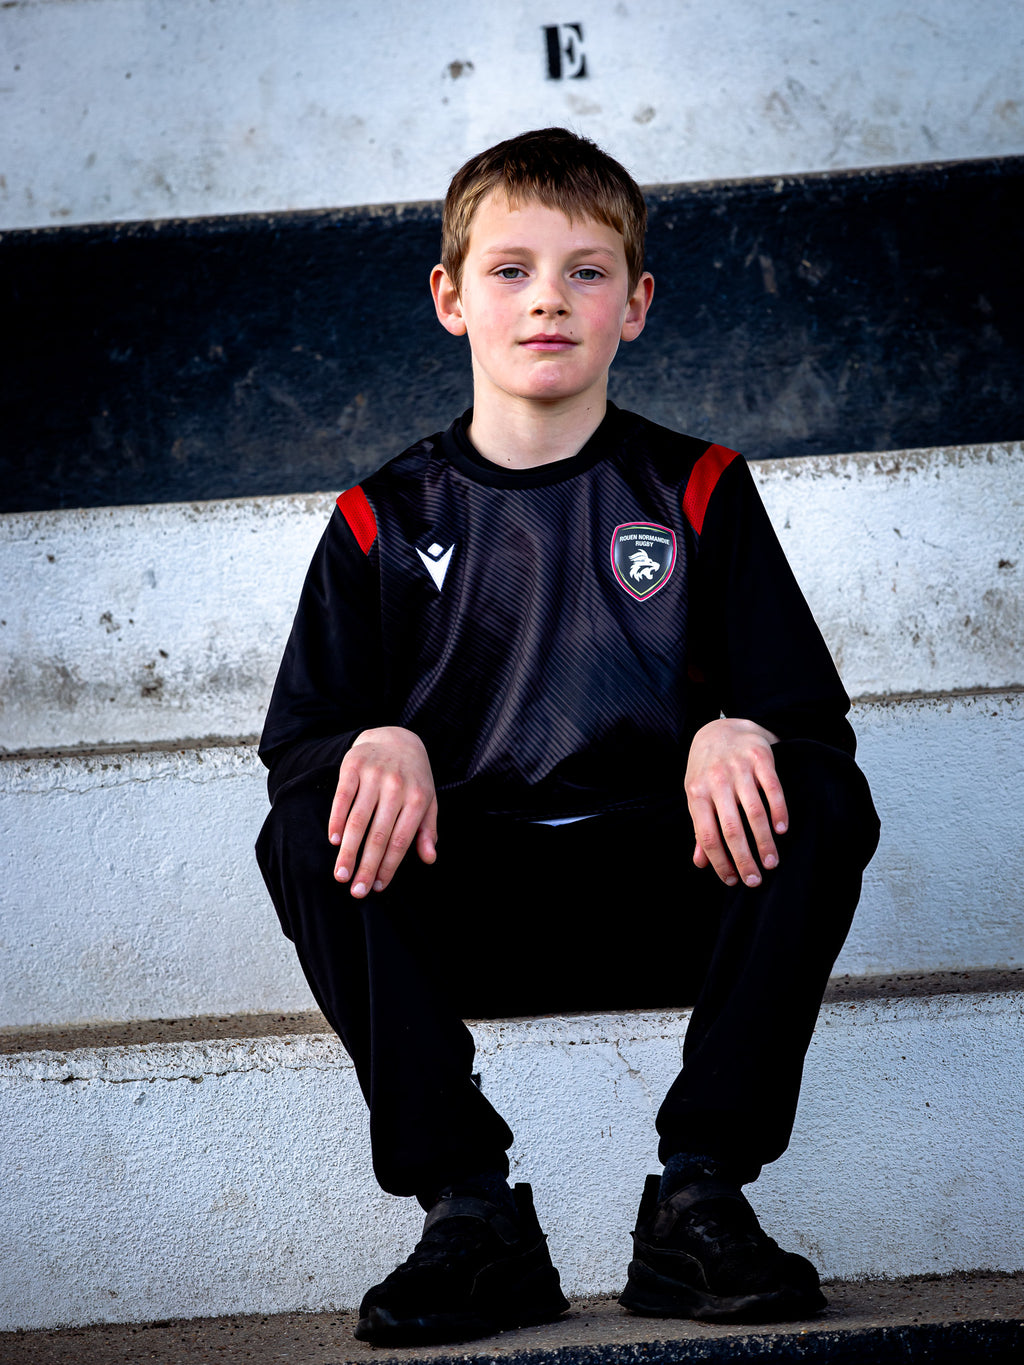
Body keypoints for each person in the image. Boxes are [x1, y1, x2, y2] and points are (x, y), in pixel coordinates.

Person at [255, 126, 879, 1347]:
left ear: (636, 304)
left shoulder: (695, 490)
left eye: (587, 270)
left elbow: (811, 725)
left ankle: (700, 1196)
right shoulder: (381, 517)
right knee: (308, 823)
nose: (550, 297)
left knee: (815, 793)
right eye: (511, 268)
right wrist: (367, 744)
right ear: (449, 297)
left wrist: (729, 727)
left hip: (668, 892)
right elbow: (301, 742)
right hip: (469, 906)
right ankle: (469, 1218)